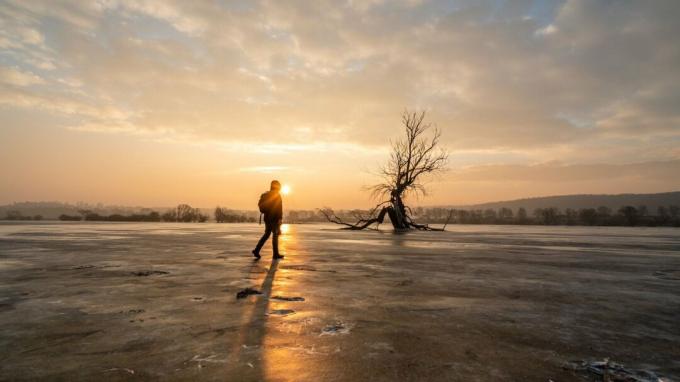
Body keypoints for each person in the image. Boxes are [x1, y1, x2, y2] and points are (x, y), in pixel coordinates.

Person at [252, 180, 284, 261]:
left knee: (266, 234)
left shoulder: (266, 194)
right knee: (275, 235)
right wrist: (280, 218)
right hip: (274, 218)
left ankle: (256, 250)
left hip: (267, 218)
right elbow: (279, 208)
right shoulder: (277, 195)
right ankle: (275, 254)